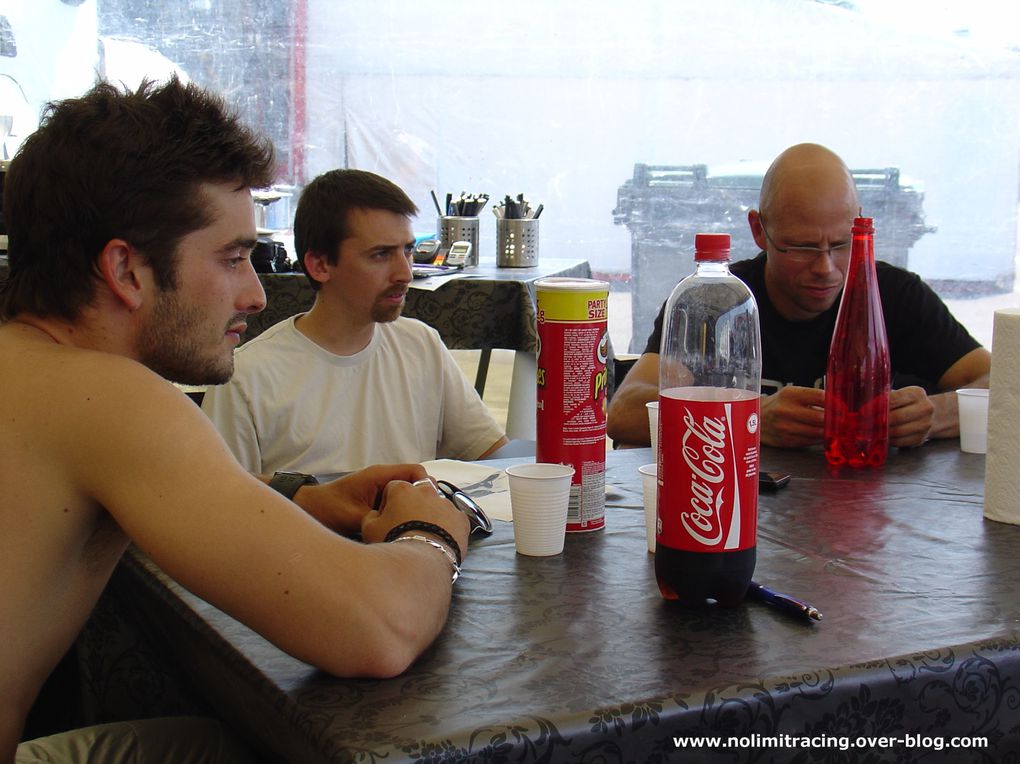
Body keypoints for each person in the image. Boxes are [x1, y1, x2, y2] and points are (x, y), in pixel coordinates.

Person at [0, 79, 469, 763]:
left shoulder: (31, 365)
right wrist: (432, 532)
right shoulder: (109, 398)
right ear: (126, 269)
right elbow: (380, 629)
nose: (255, 292)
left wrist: (299, 499)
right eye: (231, 258)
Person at [607, 143, 991, 450]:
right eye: (802, 248)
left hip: (871, 518)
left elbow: (1001, 383)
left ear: (859, 223)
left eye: (842, 244)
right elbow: (624, 411)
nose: (826, 267)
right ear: (760, 230)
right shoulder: (717, 300)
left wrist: (934, 415)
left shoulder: (894, 296)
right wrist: (752, 421)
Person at [200, 169, 507, 475]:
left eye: (408, 250)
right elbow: (220, 508)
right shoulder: (246, 379)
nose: (405, 273)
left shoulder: (420, 344)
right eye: (381, 255)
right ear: (320, 265)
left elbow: (489, 453)